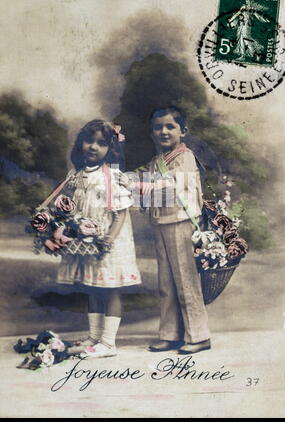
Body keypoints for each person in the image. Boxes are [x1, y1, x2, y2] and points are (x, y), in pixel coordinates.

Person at [56, 119, 141, 358]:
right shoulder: (76, 175)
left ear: (109, 149)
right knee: (92, 287)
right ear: (81, 143)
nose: (93, 147)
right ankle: (94, 336)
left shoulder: (111, 176)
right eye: (89, 141)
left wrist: (109, 240)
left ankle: (108, 342)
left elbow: (121, 212)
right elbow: (72, 207)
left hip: (108, 241)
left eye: (101, 143)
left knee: (112, 290)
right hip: (87, 242)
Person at [129, 107, 211, 354]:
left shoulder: (185, 157)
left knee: (186, 282)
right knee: (167, 283)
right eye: (158, 127)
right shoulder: (158, 161)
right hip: (162, 223)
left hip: (181, 222)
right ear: (152, 133)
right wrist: (122, 178)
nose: (163, 131)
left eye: (170, 126)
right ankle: (170, 334)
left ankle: (198, 335)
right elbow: (141, 176)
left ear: (183, 131)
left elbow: (168, 188)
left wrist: (137, 185)